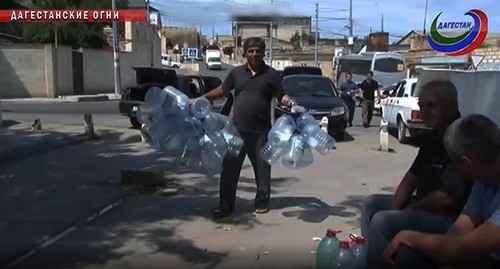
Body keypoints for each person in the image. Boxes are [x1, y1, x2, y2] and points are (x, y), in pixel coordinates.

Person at [360, 80, 472, 269]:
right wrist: (396, 209)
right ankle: (369, 260)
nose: (425, 111)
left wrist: (406, 212)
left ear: (452, 105)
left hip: (449, 218)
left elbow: (447, 198)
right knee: (371, 204)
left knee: (382, 221)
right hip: (423, 208)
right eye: (421, 106)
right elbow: (411, 176)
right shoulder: (433, 135)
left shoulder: (460, 138)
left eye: (432, 105)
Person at [190, 37, 292, 219]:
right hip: (235, 130)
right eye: (251, 51)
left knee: (262, 169)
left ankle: (262, 202)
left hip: (261, 132)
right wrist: (202, 99)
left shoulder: (272, 75)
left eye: (258, 51)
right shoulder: (237, 73)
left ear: (263, 53)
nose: (254, 54)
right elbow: (222, 90)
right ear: (245, 53)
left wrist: (290, 102)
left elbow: (281, 96)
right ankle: (225, 205)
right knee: (229, 169)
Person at [384, 114, 500, 269]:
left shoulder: (484, 174)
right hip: (485, 256)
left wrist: (409, 236)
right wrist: (446, 259)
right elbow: (462, 226)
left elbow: (467, 249)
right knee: (409, 253)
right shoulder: (484, 179)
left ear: (466, 162)